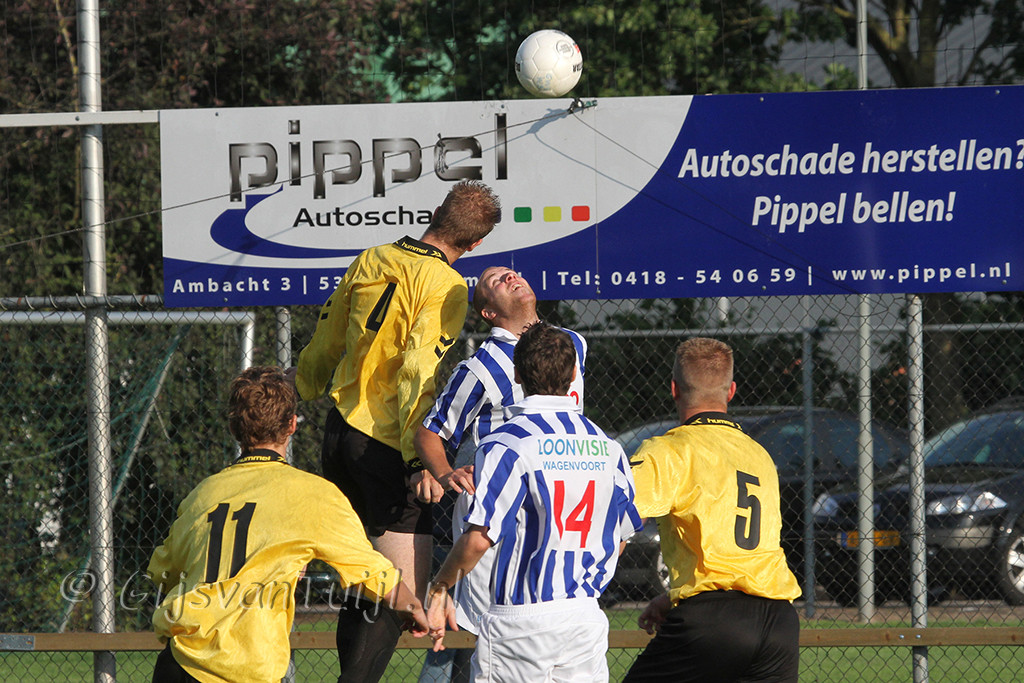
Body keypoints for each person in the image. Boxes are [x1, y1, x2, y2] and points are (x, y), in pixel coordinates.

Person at [291, 180, 502, 682]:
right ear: (475, 243)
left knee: (363, 581)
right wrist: (416, 458)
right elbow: (416, 372)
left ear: (436, 212)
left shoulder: (372, 257)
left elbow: (327, 337)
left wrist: (302, 387)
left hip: (340, 432)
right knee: (397, 594)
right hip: (388, 444)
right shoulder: (448, 284)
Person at [147, 366, 430, 683]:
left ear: (234, 427)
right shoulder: (312, 495)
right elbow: (371, 571)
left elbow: (162, 569)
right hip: (241, 669)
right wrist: (412, 606)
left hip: (176, 663)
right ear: (292, 424)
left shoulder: (203, 493)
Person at [426, 323, 642, 682]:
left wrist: (440, 587)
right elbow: (622, 533)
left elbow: (479, 539)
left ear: (517, 374)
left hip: (521, 620)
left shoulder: (506, 442)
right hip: (584, 614)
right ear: (573, 375)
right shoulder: (608, 446)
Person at [415, 267, 587, 682]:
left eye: (511, 272)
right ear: (488, 313)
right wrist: (444, 472)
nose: (509, 276)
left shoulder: (573, 343)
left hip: (554, 507)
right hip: (497, 515)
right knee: (469, 636)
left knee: (547, 630)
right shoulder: (480, 367)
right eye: (495, 281)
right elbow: (430, 433)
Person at [622, 337, 802, 683]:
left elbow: (618, 522)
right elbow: (740, 554)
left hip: (713, 621)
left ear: (674, 389)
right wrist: (672, 598)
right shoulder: (759, 454)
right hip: (779, 624)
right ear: (731, 391)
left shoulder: (669, 450)